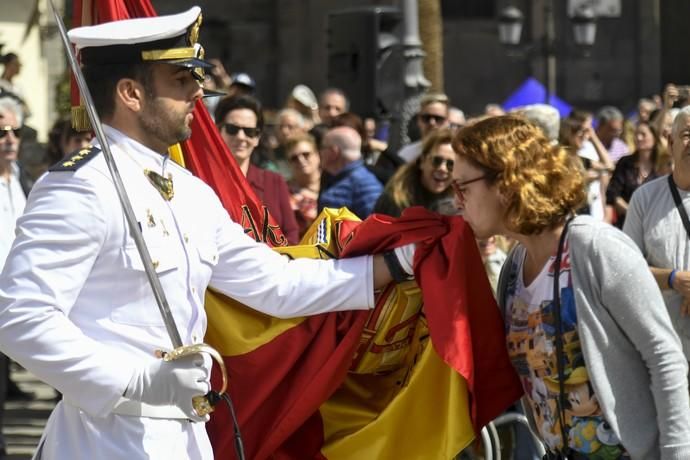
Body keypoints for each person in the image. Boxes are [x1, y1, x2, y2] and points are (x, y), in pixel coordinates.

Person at [0, 9, 413, 459]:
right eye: (180, 80)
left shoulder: (192, 193)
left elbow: (275, 283)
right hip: (105, 437)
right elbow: (21, 318)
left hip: (188, 437)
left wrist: (392, 265)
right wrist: (134, 380)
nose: (199, 92)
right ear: (131, 93)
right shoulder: (81, 186)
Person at [452, 115, 690, 459]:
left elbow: (665, 358)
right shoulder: (514, 267)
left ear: (506, 182)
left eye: (463, 187)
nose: (457, 200)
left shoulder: (595, 248)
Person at [623, 105, 690, 361]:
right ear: (671, 141)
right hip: (663, 349)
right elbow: (626, 270)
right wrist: (674, 279)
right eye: (687, 134)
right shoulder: (645, 198)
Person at [215, 94, 300, 244]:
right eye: (232, 129)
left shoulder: (274, 181)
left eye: (249, 131)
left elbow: (291, 233)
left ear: (257, 137)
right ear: (218, 131)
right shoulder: (205, 182)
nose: (241, 137)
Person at [0, 95, 27, 458]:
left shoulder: (22, 178)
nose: (9, 139)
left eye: (15, 131)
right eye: (1, 131)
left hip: (14, 301)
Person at [373, 128, 456, 217]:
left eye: (451, 164)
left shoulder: (459, 202)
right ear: (422, 161)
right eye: (436, 161)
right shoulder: (397, 199)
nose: (442, 168)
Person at [318, 126, 383, 219]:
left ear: (334, 152)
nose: (320, 152)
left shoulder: (365, 184)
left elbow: (374, 225)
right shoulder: (334, 177)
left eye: (323, 147)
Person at [605, 121, 661, 228]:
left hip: (653, 226)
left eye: (643, 134)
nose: (638, 138)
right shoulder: (625, 163)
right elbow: (613, 194)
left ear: (654, 138)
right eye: (636, 134)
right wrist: (633, 213)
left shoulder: (661, 167)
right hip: (625, 225)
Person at [284, 133, 321, 239]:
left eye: (306, 154)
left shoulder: (333, 184)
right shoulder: (284, 192)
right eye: (294, 158)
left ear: (317, 155)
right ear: (288, 163)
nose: (301, 160)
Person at [396, 92, 450, 163]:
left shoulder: (457, 154)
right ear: (418, 120)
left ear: (447, 121)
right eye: (426, 118)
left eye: (438, 118)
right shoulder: (406, 153)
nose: (432, 123)